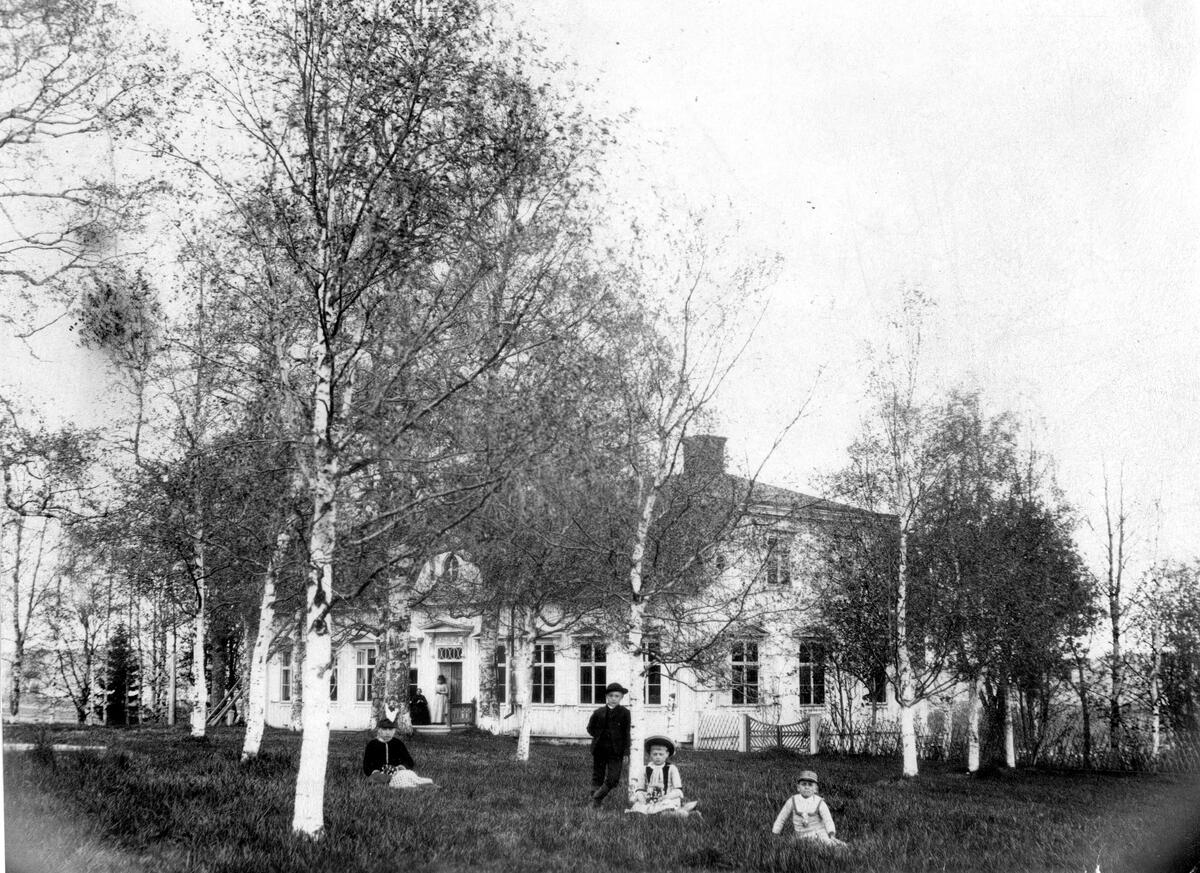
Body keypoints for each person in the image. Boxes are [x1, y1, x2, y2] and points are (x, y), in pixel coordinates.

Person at [625, 735, 700, 818]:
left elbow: (678, 789)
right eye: (655, 754)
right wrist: (643, 797)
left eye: (661, 754)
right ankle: (680, 812)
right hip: (650, 798)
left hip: (667, 798)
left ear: (667, 754)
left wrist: (666, 797)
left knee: (665, 810)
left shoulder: (672, 768)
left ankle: (679, 813)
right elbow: (640, 788)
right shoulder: (645, 769)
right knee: (639, 811)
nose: (658, 757)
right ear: (650, 754)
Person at [586, 681, 631, 808]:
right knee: (598, 776)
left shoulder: (625, 713)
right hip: (600, 749)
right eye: (611, 696)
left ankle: (597, 796)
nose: (613, 699)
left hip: (616, 751)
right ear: (607, 696)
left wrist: (626, 752)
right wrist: (599, 735)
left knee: (613, 778)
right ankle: (595, 804)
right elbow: (590, 728)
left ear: (621, 697)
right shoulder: (598, 712)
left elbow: (627, 733)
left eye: (617, 696)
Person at [771, 770, 846, 846]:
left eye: (810, 785)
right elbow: (781, 817)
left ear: (816, 789)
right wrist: (775, 832)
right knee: (791, 845)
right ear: (798, 787)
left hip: (819, 834)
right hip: (800, 836)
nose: (806, 787)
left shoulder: (820, 802)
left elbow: (828, 819)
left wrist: (831, 834)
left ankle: (837, 845)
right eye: (803, 784)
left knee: (828, 845)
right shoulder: (792, 800)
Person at [362, 718, 437, 789]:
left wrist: (400, 767)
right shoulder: (372, 744)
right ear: (379, 730)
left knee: (408, 776)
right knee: (377, 779)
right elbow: (366, 765)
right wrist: (375, 771)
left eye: (390, 729)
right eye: (384, 729)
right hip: (379, 774)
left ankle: (423, 785)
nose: (388, 732)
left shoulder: (398, 743)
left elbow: (409, 761)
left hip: (397, 772)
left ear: (394, 731)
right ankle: (405, 786)